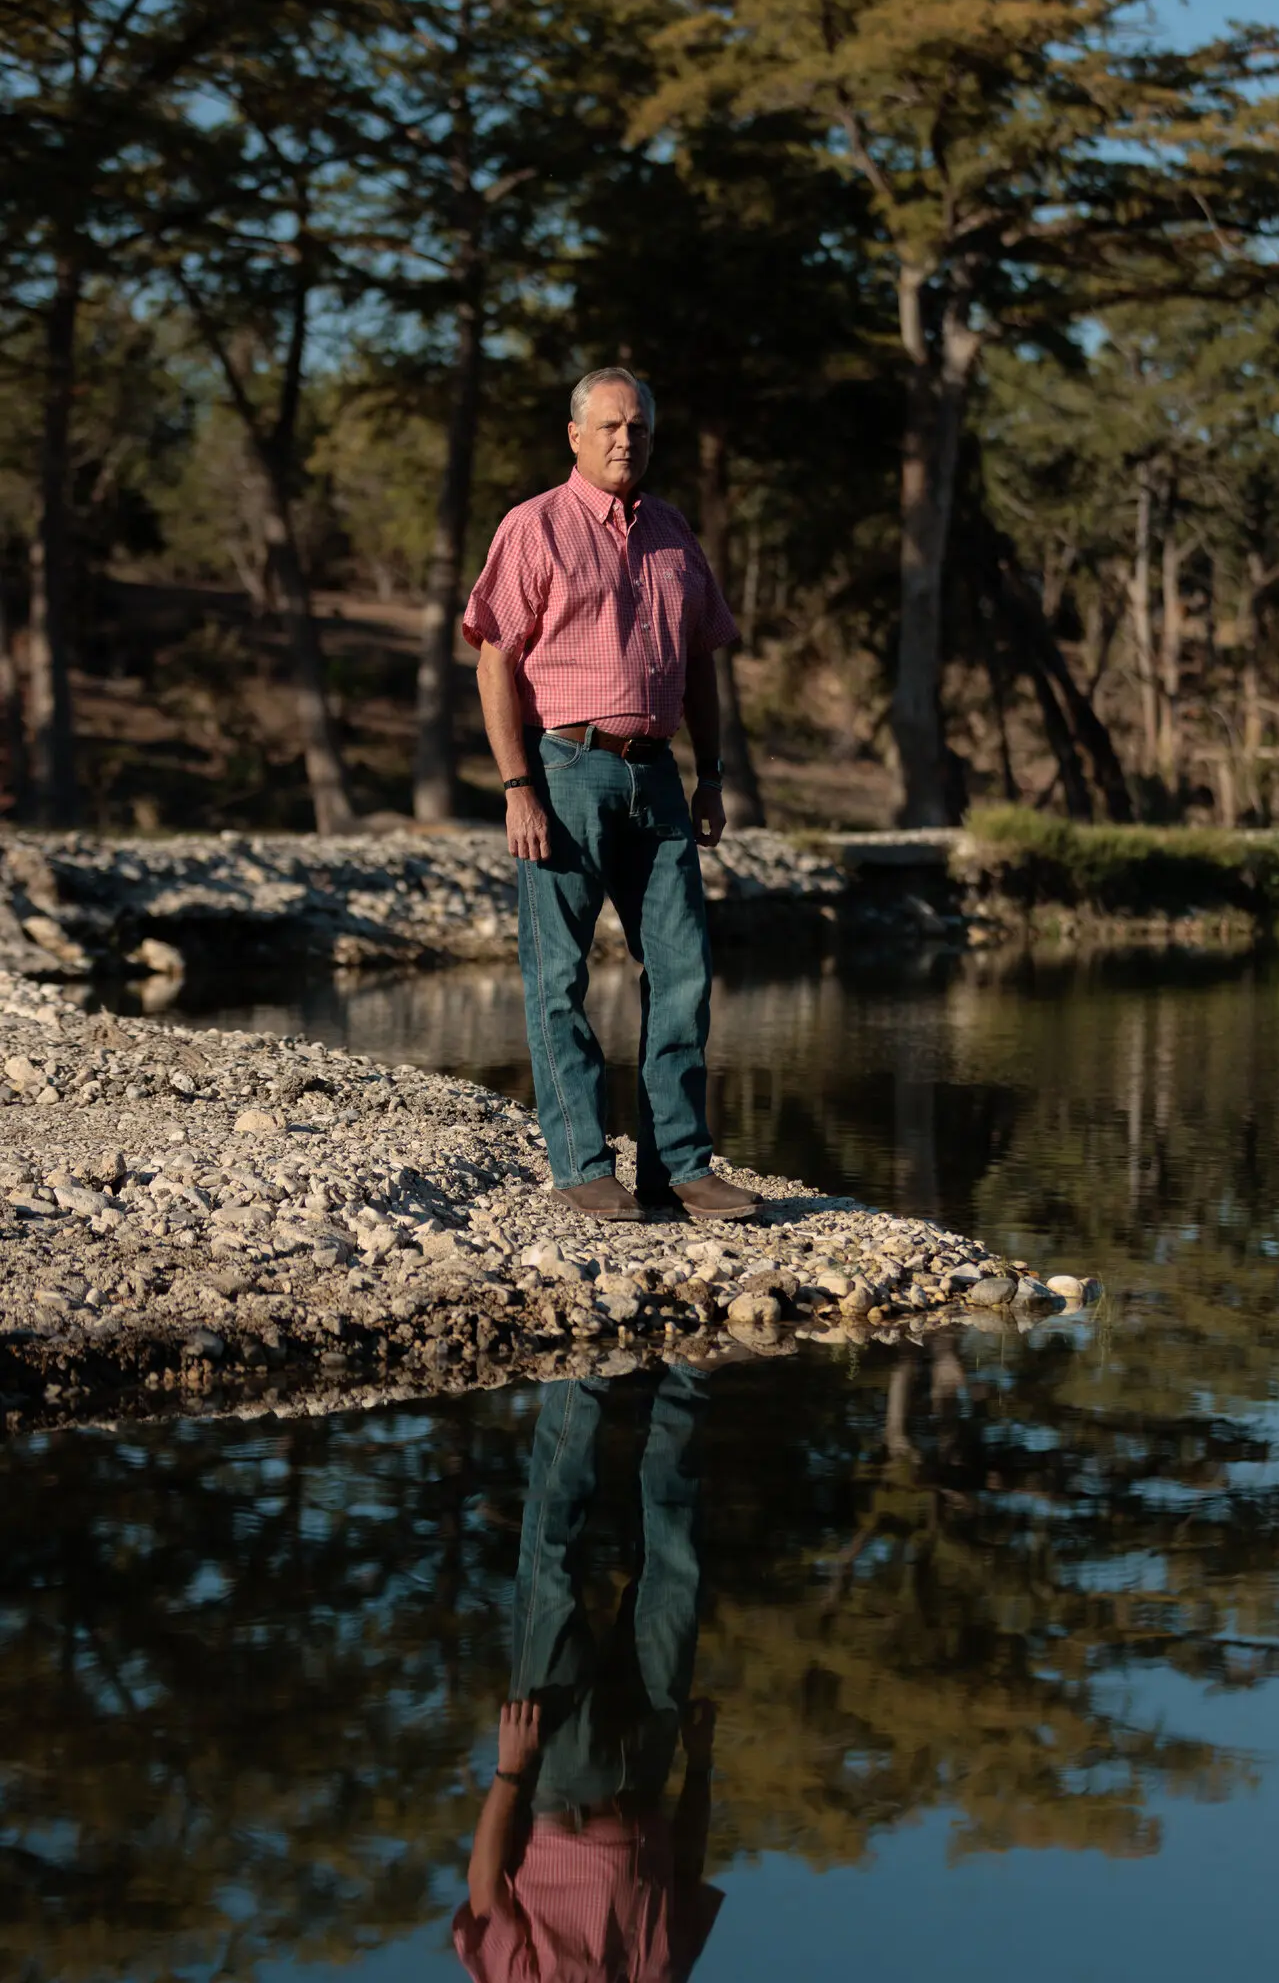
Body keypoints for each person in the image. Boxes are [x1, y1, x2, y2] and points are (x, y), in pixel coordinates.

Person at [462, 367, 760, 1223]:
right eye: (608, 427)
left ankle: (678, 1165)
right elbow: (494, 660)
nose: (625, 440)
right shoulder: (534, 527)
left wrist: (711, 777)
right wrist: (517, 786)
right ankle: (582, 1164)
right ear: (574, 436)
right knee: (558, 974)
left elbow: (701, 661)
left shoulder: (673, 533)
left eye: (637, 428)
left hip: (658, 775)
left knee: (682, 969)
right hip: (565, 768)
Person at [453, 1372, 723, 1983]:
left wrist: (509, 1771)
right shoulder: (663, 1976)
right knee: (677, 1572)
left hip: (557, 1779)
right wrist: (700, 1765)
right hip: (650, 1767)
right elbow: (687, 1866)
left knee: (549, 1570)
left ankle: (580, 1386)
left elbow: (485, 1889)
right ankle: (685, 1382)